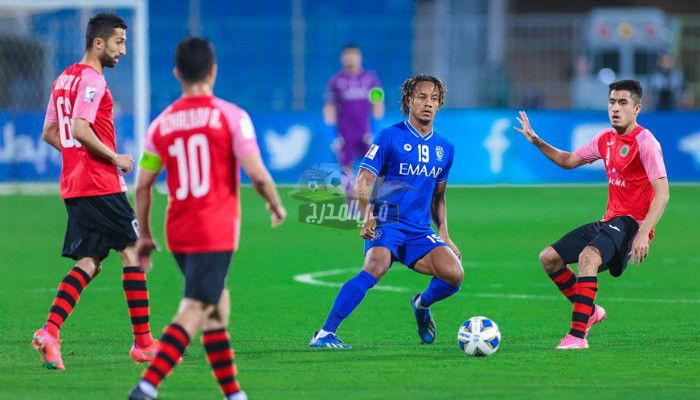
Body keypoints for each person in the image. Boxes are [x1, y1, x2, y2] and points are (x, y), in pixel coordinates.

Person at [127, 37, 286, 400]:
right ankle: (147, 387)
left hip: (178, 231)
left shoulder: (160, 125)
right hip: (214, 231)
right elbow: (258, 176)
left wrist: (146, 235)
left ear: (177, 73)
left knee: (217, 307)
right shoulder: (231, 116)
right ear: (213, 70)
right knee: (196, 307)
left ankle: (233, 394)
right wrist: (275, 204)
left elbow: (143, 186)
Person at [32, 12, 157, 370]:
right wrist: (114, 157)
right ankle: (144, 344)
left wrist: (76, 156)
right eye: (119, 42)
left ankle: (50, 332)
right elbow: (81, 127)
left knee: (90, 261)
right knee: (133, 249)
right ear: (98, 43)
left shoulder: (63, 78)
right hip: (101, 185)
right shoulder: (92, 80)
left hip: (74, 186)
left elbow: (50, 132)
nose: (123, 50)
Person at [310, 74, 463, 349]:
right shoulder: (390, 136)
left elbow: (439, 196)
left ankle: (421, 303)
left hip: (418, 229)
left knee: (454, 275)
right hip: (387, 220)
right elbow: (363, 179)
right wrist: (367, 213)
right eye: (422, 97)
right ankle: (325, 333)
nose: (428, 104)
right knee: (375, 266)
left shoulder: (445, 149)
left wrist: (445, 235)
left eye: (434, 99)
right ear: (409, 100)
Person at [514, 80, 669, 350]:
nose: (615, 109)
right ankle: (592, 311)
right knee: (549, 259)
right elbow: (568, 161)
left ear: (637, 109)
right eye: (612, 102)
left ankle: (577, 336)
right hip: (610, 221)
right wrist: (537, 141)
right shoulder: (605, 140)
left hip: (633, 225)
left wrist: (644, 233)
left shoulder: (646, 143)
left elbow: (663, 193)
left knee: (589, 257)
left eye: (623, 103)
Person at [323, 44, 385, 177]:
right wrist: (331, 132)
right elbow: (329, 107)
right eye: (347, 55)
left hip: (365, 131)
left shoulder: (371, 80)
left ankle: (372, 197)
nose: (351, 58)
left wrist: (376, 129)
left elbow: (378, 103)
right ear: (342, 58)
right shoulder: (336, 81)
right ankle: (351, 197)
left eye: (354, 54)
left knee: (373, 166)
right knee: (346, 169)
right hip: (345, 133)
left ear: (360, 57)